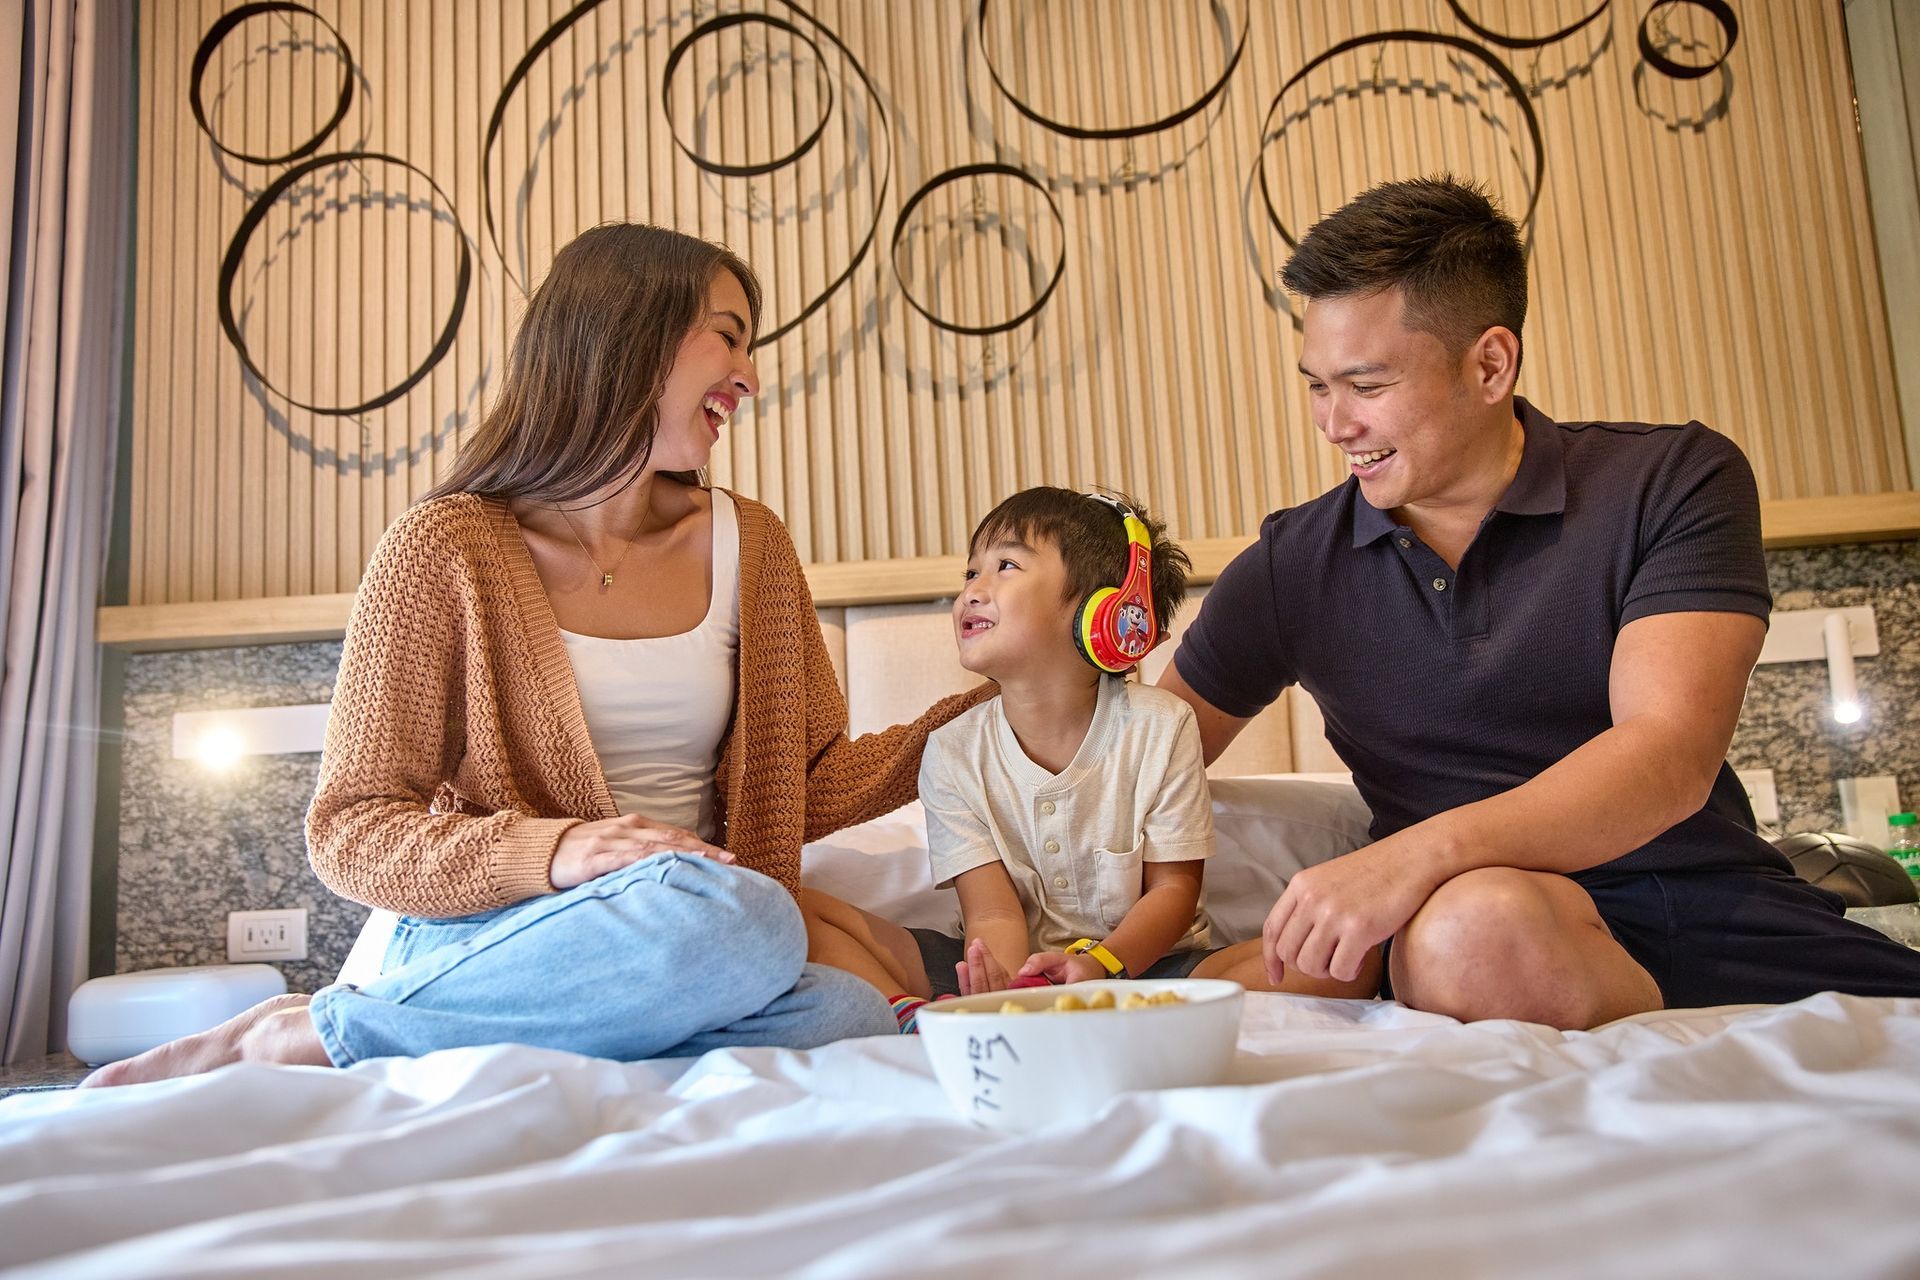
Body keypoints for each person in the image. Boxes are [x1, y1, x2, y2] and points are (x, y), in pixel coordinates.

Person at [86, 223, 987, 1087]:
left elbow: (810, 782)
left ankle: (423, 1030)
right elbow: (351, 830)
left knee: (845, 1016)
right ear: (630, 337)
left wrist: (997, 707)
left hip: (681, 930)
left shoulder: (751, 546)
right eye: (727, 338)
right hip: (502, 932)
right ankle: (306, 1031)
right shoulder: (441, 549)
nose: (749, 375)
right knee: (752, 925)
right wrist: (558, 852)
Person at [1157, 176, 1920, 1030]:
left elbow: (1665, 755)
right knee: (1470, 929)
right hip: (1479, 933)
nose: (1335, 424)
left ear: (1489, 364)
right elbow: (1142, 766)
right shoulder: (1291, 566)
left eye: (1365, 386)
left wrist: (1410, 859)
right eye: (1317, 386)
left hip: (1706, 906)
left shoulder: (1670, 481)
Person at [801, 486, 1380, 1025]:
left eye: (1006, 566)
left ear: (1105, 611)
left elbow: (1173, 894)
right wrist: (1004, 989)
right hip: (1000, 964)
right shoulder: (951, 750)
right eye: (971, 572)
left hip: (1147, 966)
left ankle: (1117, 1015)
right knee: (795, 911)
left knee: (1345, 963)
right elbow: (994, 913)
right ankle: (908, 1018)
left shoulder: (1160, 726)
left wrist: (1102, 966)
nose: (972, 589)